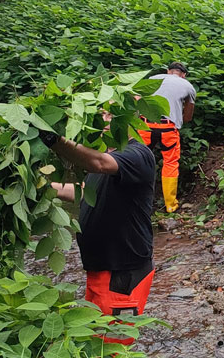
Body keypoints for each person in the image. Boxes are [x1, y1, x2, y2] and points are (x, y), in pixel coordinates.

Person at [45, 124, 156, 344]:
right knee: (94, 342)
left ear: (131, 118)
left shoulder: (138, 155)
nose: (105, 119)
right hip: (100, 269)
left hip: (122, 275)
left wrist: (53, 139)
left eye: (112, 115)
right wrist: (45, 188)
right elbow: (86, 191)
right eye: (102, 113)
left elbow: (99, 163)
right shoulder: (108, 157)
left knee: (111, 350)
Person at [137, 61, 196, 213]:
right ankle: (170, 205)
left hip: (146, 125)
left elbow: (137, 100)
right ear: (183, 75)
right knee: (170, 163)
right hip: (168, 128)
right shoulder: (188, 86)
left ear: (168, 71)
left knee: (137, 159)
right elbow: (188, 116)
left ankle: (133, 199)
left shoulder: (152, 79)